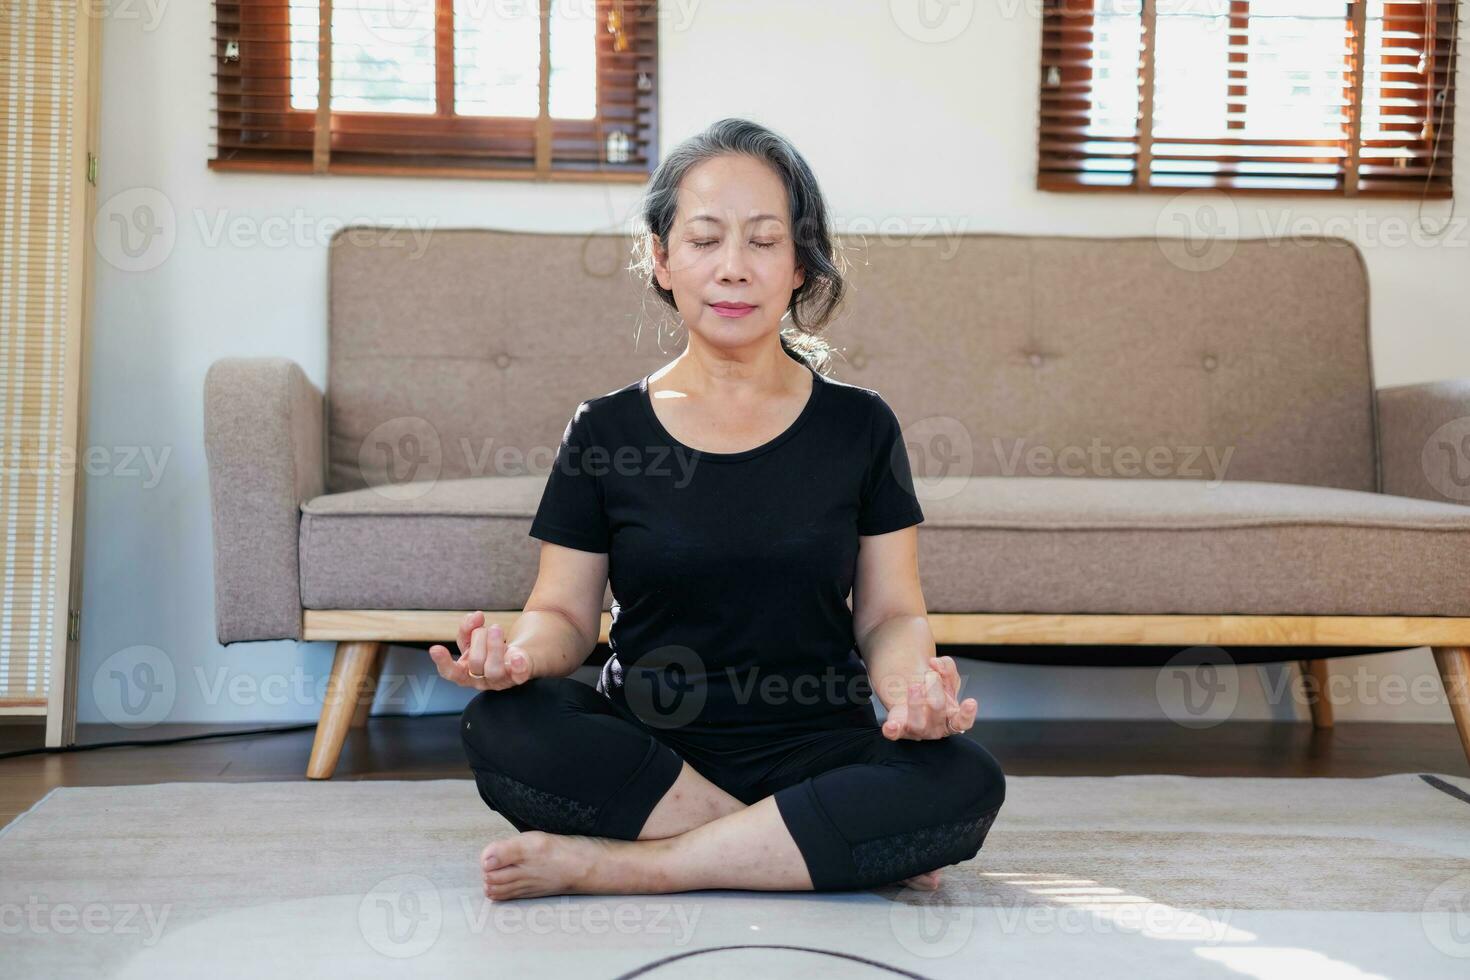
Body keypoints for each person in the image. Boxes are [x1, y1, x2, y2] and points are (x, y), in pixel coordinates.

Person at [429, 118, 1005, 902]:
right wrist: (518, 658)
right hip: (651, 744)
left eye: (764, 241)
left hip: (818, 746)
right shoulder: (606, 430)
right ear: (661, 260)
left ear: (801, 263)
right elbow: (562, 613)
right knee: (500, 723)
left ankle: (625, 865)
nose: (733, 269)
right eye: (704, 240)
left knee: (961, 775)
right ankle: (805, 842)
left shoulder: (860, 425)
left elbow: (891, 616)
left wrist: (911, 696)